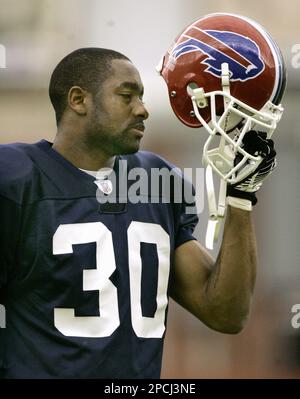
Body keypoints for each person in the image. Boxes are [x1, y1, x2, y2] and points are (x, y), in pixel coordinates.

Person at [0, 46, 276, 379]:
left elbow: (226, 313)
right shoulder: (17, 180)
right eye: (126, 95)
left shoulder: (156, 181)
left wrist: (241, 198)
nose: (142, 109)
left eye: (142, 97)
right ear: (78, 100)